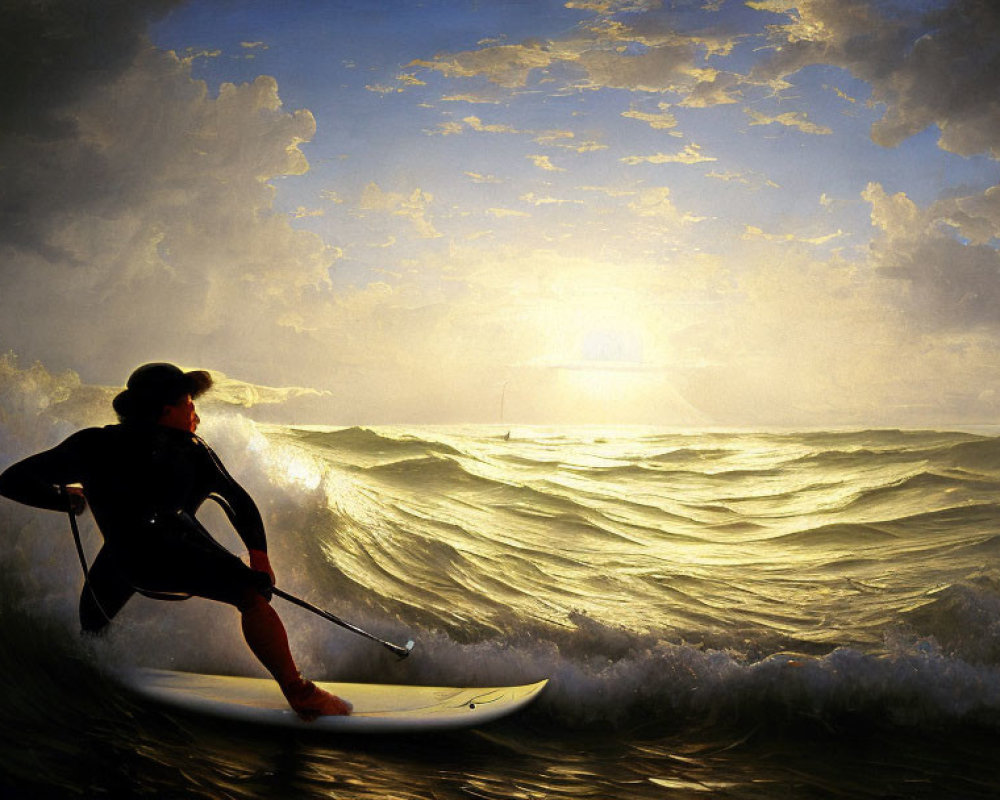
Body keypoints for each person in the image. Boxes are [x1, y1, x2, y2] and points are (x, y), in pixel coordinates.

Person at [0, 362, 351, 720]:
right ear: (166, 410)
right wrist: (259, 559)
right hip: (176, 555)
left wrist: (66, 501)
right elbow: (237, 501)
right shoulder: (190, 450)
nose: (194, 413)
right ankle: (299, 691)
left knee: (92, 624)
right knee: (251, 595)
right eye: (188, 404)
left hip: (125, 561)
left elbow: (11, 480)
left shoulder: (93, 443)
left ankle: (90, 691)